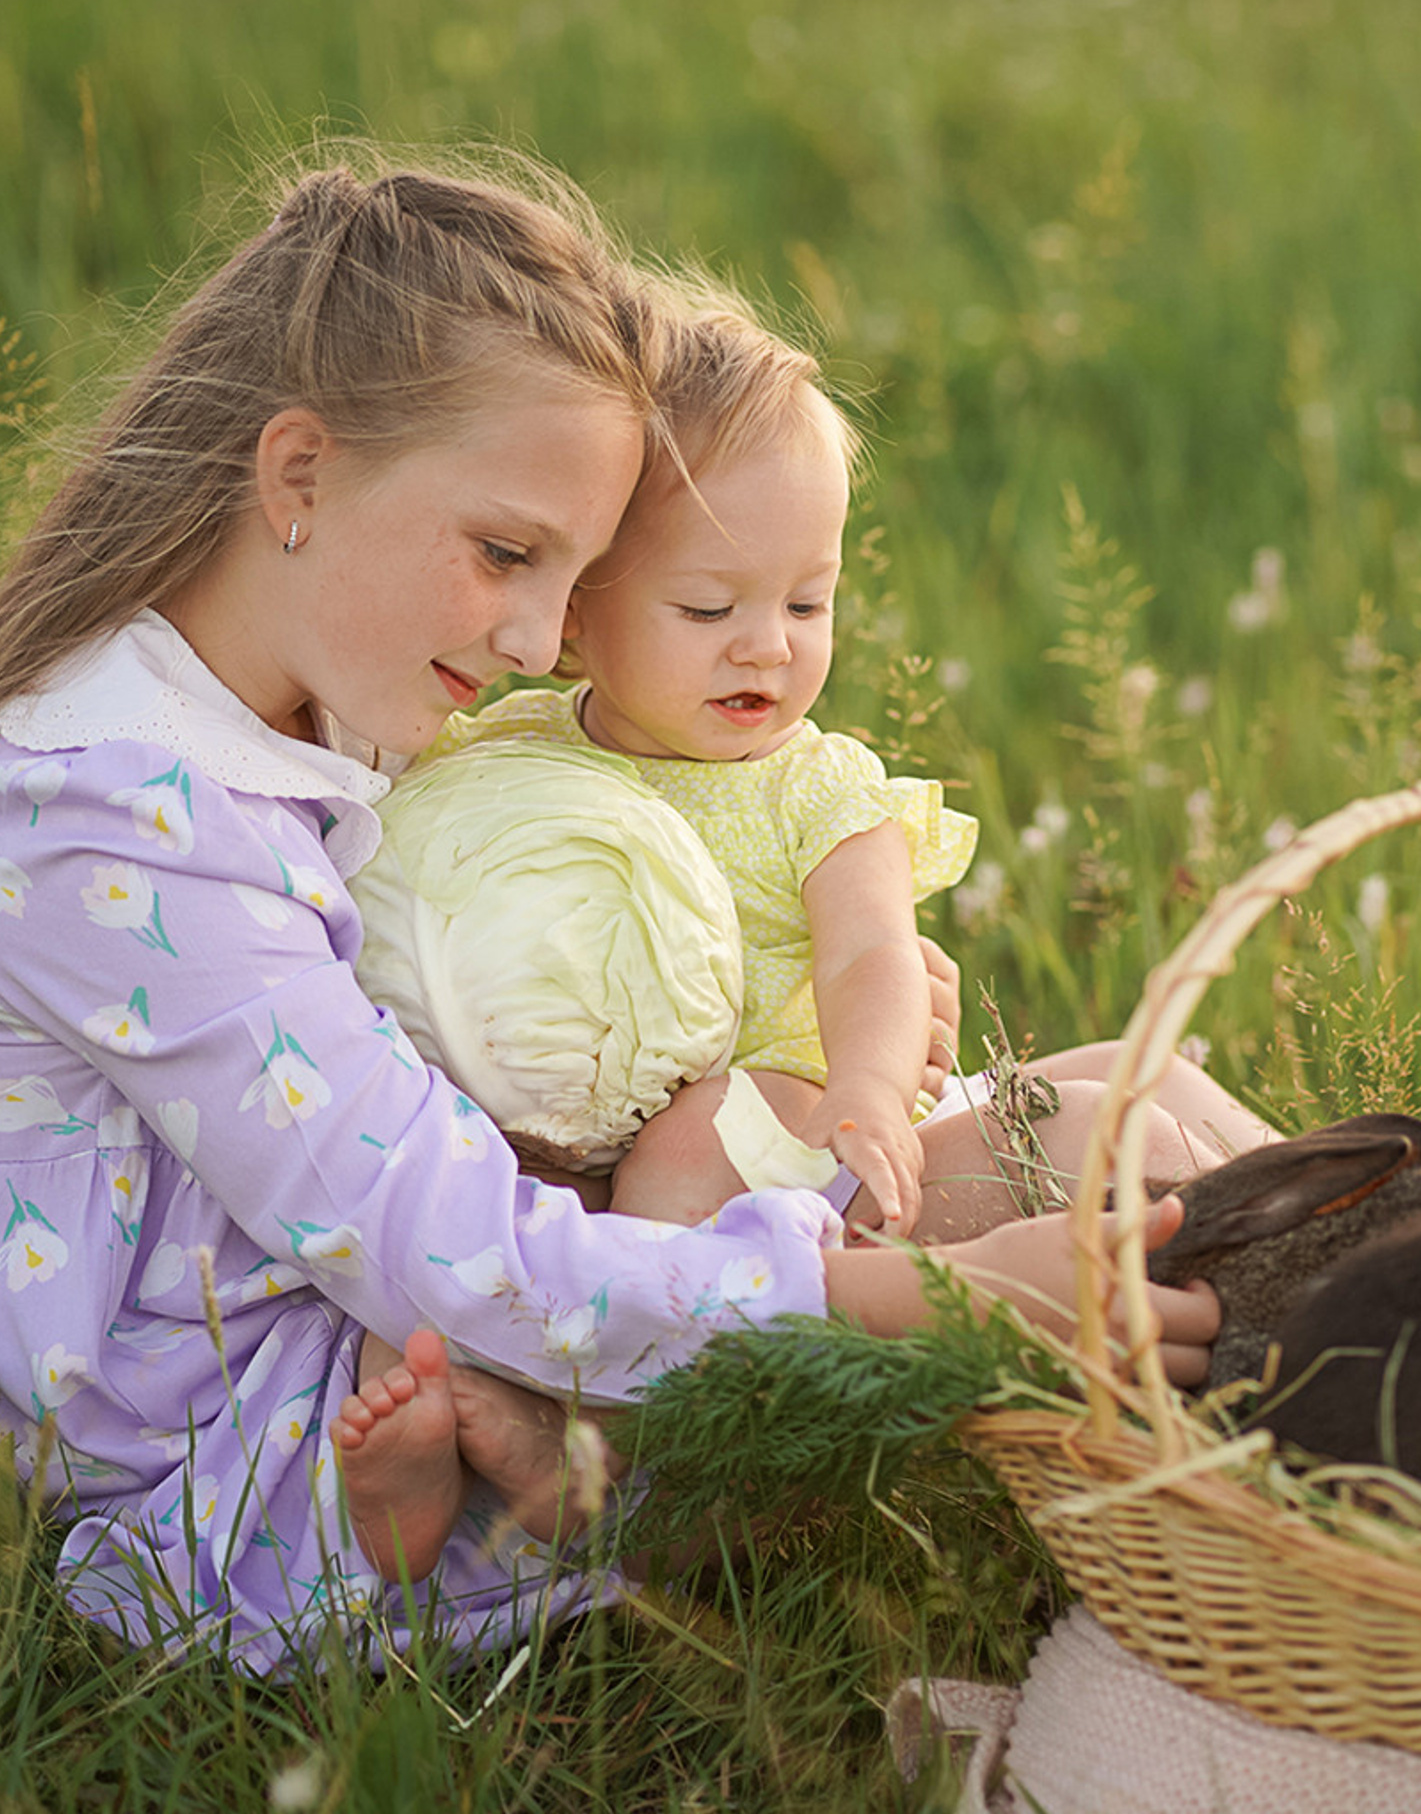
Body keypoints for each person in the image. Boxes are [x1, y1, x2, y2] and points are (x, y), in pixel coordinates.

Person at [0, 156, 1225, 1678]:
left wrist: (805, 997)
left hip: (474, 1294)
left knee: (1126, 1100)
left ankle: (1411, 1359)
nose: (535, 640)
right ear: (300, 475)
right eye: (507, 554)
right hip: (320, 1439)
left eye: (572, 578)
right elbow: (453, 1251)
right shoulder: (118, 826)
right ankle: (1335, 1517)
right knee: (1101, 1168)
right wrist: (947, 1298)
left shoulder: (311, 689)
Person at [418, 285, 1275, 1243]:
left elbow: (874, 955)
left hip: (812, 1111)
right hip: (642, 1149)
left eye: (807, 604)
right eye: (709, 609)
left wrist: (868, 1088)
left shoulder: (818, 788)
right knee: (707, 1135)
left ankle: (1353, 1201)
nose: (768, 647)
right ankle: (665, 1332)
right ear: (575, 609)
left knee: (1141, 1068)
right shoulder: (513, 749)